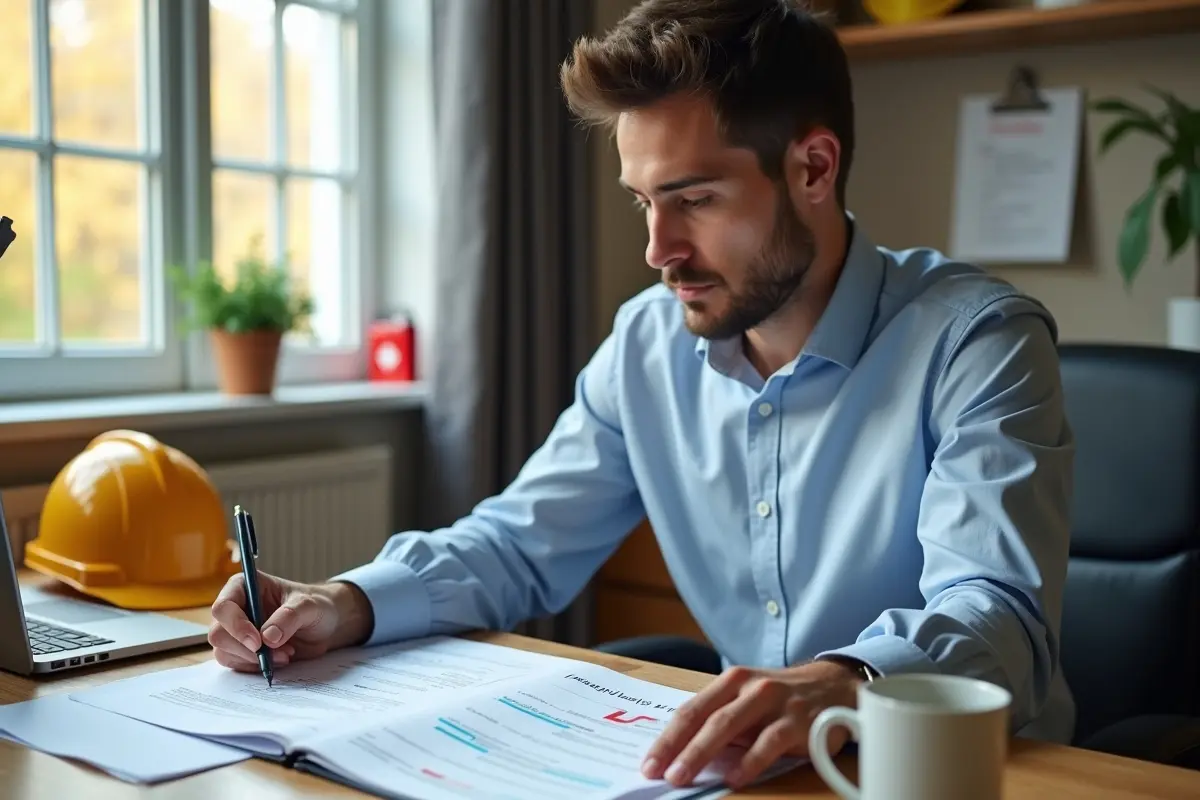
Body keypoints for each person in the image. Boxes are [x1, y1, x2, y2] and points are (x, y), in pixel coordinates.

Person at [207, 0, 1076, 789]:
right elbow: (518, 545)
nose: (660, 249)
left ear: (813, 167)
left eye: (692, 199)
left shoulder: (977, 341)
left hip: (960, 774)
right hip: (752, 776)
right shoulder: (647, 343)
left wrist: (842, 679)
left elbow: (995, 612)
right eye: (641, 204)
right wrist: (346, 602)